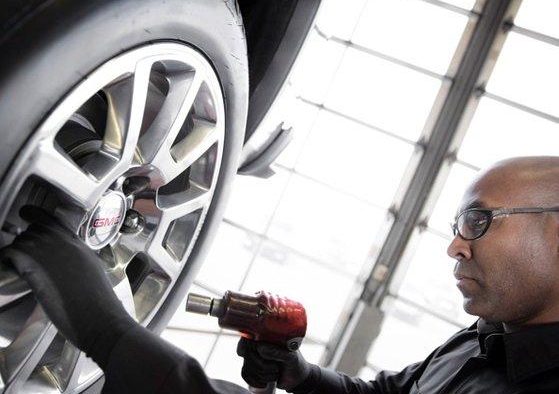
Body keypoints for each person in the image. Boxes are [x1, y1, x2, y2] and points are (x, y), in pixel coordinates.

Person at [2, 156, 559, 393]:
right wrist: (301, 375)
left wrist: (107, 332)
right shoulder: (488, 339)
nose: (456, 245)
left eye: (478, 221)